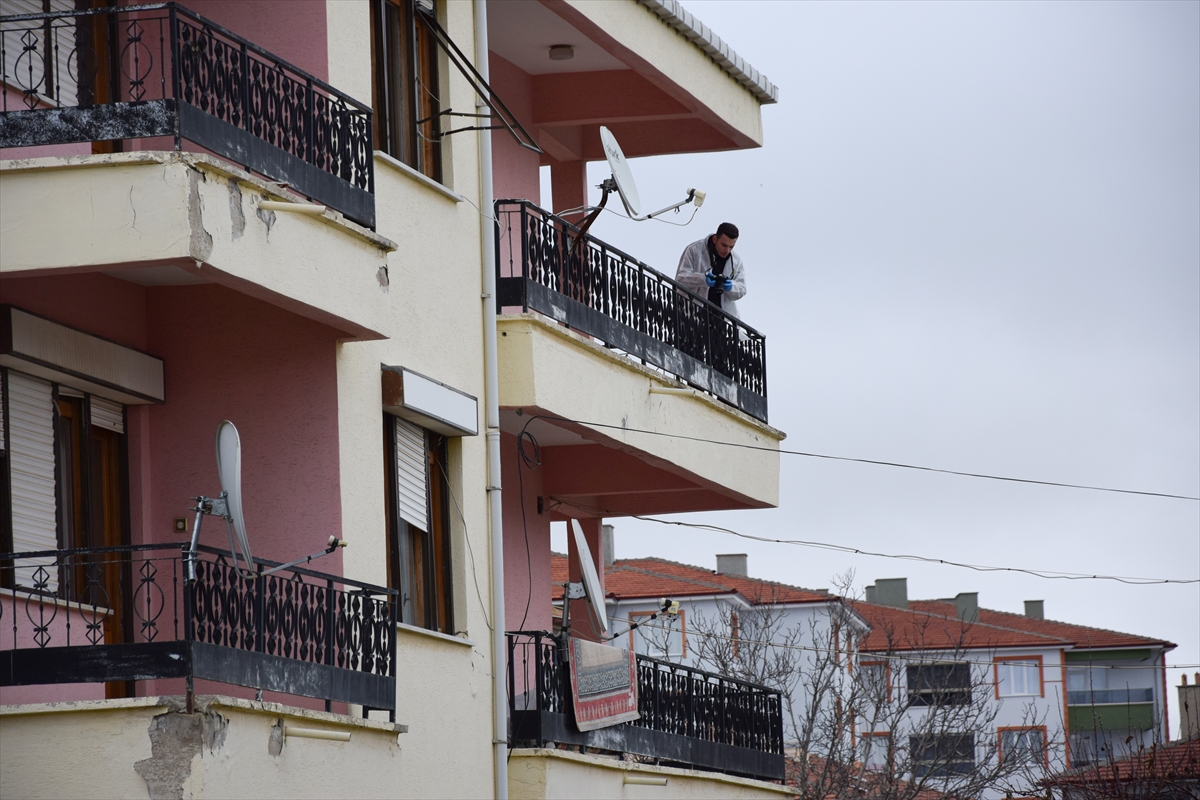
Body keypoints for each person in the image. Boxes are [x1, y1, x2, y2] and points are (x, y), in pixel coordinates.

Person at [674, 222, 746, 318]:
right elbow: (680, 279)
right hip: (693, 314)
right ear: (715, 239)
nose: (727, 250)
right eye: (724, 245)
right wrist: (702, 279)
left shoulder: (736, 260)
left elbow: (742, 289)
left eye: (731, 247)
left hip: (722, 319)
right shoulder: (694, 250)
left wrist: (731, 286)